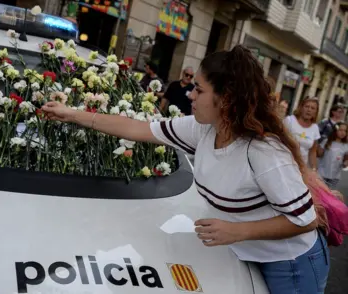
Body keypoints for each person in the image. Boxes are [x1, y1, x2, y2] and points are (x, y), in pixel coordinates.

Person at [42, 45, 330, 293]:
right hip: (246, 253)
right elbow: (136, 128)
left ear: (226, 99)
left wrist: (237, 232)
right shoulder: (203, 130)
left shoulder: (263, 153)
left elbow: (306, 220)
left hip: (291, 265)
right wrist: (72, 114)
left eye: (200, 90)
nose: (191, 95)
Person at [283, 97, 321, 170]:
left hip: (301, 167)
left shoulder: (315, 128)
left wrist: (314, 169)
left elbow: (312, 152)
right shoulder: (289, 120)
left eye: (313, 108)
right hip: (284, 163)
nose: (309, 110)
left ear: (316, 112)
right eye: (307, 106)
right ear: (301, 108)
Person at [317, 122, 348, 189]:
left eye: (345, 131)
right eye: (340, 130)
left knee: (328, 195)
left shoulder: (346, 145)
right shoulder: (326, 141)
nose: (343, 132)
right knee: (319, 193)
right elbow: (318, 154)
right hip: (322, 174)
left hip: (335, 176)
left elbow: (345, 160)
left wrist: (345, 163)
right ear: (335, 130)